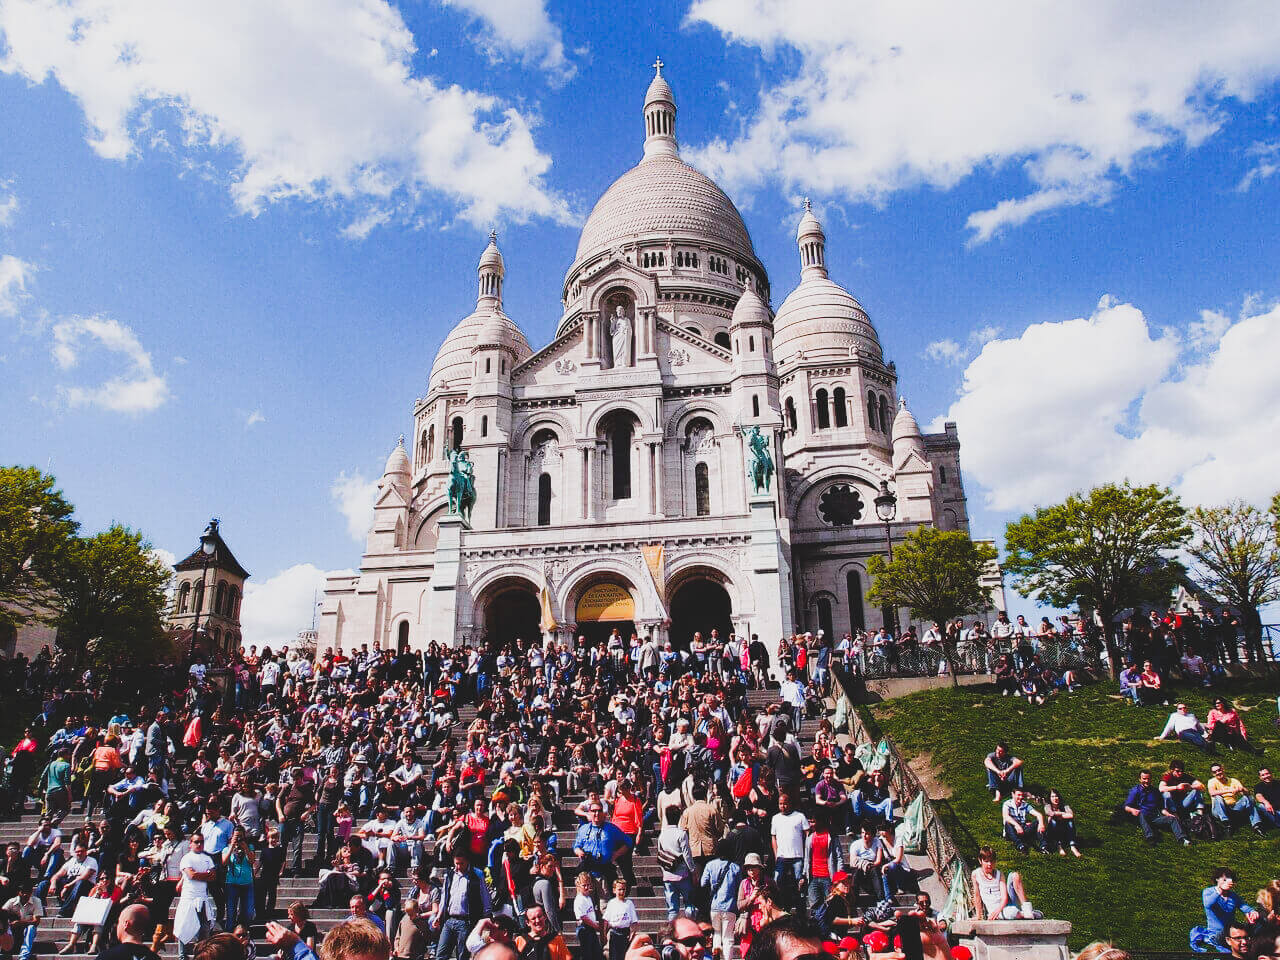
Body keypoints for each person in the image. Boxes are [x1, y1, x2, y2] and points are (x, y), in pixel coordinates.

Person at [433, 850, 491, 960]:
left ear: (467, 861)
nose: (459, 866)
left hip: (465, 922)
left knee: (462, 956)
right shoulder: (449, 875)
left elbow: (485, 896)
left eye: (461, 863)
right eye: (456, 863)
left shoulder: (477, 875)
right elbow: (444, 897)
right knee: (441, 954)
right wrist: (439, 916)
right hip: (449, 921)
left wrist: (487, 915)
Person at [1191, 868, 1258, 954]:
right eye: (1224, 880)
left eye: (1230, 879)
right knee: (1232, 936)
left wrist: (1252, 912)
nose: (1227, 882)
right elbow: (1208, 904)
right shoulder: (1208, 892)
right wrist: (1220, 891)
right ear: (1217, 879)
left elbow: (1243, 906)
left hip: (1231, 931)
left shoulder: (1233, 896)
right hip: (1216, 934)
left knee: (1255, 926)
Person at [175, 833, 218, 960]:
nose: (199, 844)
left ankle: (200, 956)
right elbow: (191, 875)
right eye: (196, 842)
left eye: (201, 842)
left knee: (204, 928)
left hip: (203, 899)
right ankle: (182, 956)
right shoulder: (186, 858)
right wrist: (206, 874)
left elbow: (213, 876)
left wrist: (198, 874)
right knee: (184, 927)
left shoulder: (207, 858)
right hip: (189, 898)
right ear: (191, 843)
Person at [1122, 771, 1189, 845]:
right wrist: (1132, 810)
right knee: (1142, 813)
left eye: (1149, 779)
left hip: (1155, 818)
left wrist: (1167, 813)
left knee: (1172, 818)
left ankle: (1182, 839)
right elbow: (1126, 806)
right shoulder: (1135, 791)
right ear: (1140, 779)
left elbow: (1161, 807)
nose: (1147, 781)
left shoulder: (1155, 791)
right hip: (1142, 817)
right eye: (1144, 779)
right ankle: (1150, 837)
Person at [1207, 762, 1263, 835]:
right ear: (1213, 774)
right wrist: (1229, 790)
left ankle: (1256, 825)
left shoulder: (1233, 781)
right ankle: (1226, 823)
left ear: (1223, 770)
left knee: (1248, 798)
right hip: (1219, 810)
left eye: (1219, 770)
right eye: (1215, 772)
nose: (1218, 773)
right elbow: (1212, 793)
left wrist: (1242, 789)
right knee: (1217, 797)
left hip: (1234, 807)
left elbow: (1246, 794)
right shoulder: (1211, 781)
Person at [2, 884, 42, 960]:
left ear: (31, 892)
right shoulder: (11, 901)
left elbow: (36, 922)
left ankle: (24, 956)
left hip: (27, 929)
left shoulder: (37, 901)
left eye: (28, 892)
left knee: (31, 928)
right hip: (13, 930)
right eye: (23, 892)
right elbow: (2, 914)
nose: (25, 894)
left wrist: (20, 922)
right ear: (18, 892)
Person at [602, 878, 638, 960]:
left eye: (623, 889)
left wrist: (632, 934)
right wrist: (604, 934)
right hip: (614, 933)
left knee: (624, 956)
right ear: (614, 890)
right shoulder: (612, 903)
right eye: (619, 889)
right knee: (614, 956)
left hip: (625, 933)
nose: (621, 892)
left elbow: (634, 921)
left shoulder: (629, 904)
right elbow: (606, 920)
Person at [1043, 789, 1081, 857]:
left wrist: (1059, 816)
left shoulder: (1065, 806)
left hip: (1064, 830)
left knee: (1070, 822)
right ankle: (1059, 846)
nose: (1055, 798)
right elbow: (1050, 813)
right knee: (1053, 821)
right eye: (1052, 796)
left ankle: (1072, 846)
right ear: (1049, 798)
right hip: (1052, 831)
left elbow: (1071, 815)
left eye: (1056, 796)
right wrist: (1063, 813)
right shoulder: (1048, 806)